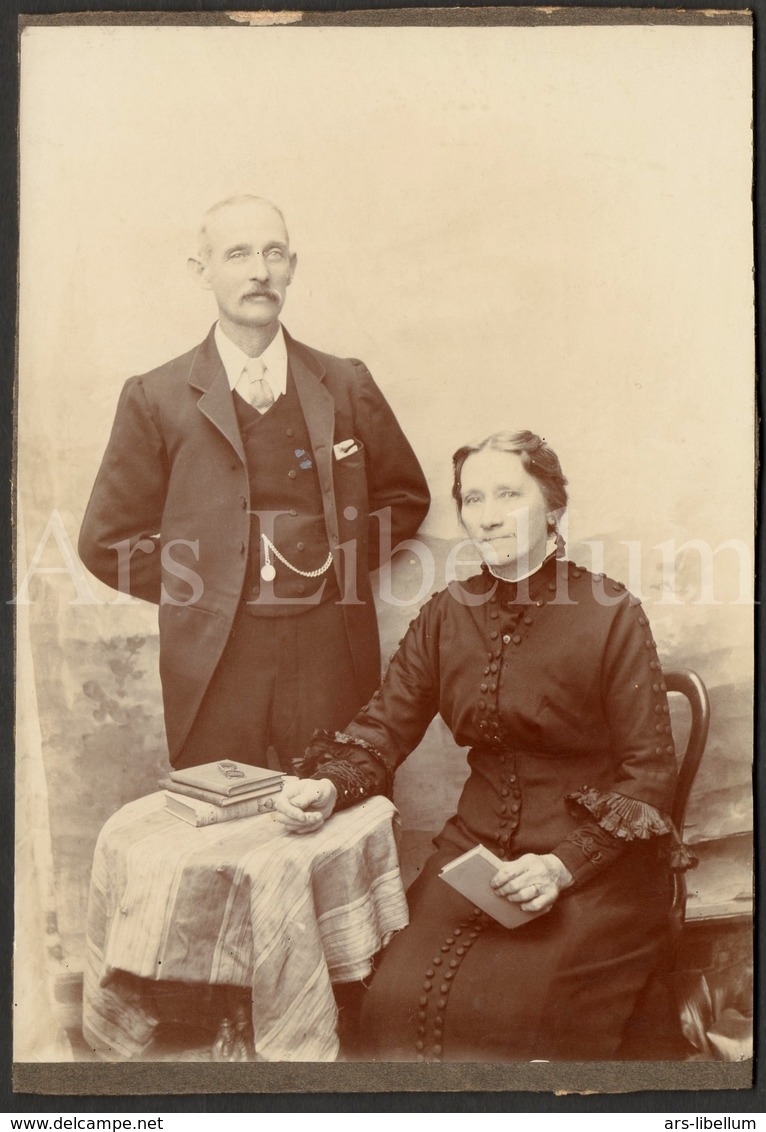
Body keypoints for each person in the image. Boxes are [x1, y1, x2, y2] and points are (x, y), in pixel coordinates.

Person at [274, 429, 690, 1061]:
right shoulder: (449, 613)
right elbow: (384, 725)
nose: (488, 515)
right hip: (475, 853)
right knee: (389, 1003)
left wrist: (561, 866)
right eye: (473, 499)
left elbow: (649, 774)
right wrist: (327, 785)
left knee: (519, 1013)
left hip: (593, 866)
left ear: (553, 506)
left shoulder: (611, 612)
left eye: (508, 494)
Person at [78, 194, 430, 771]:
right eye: (238, 254)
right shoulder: (154, 396)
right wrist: (205, 589)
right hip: (216, 659)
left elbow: (406, 497)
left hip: (331, 652)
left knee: (336, 811)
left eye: (273, 254)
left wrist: (332, 561)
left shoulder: (345, 381)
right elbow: (105, 539)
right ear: (203, 271)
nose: (259, 271)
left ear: (292, 266)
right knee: (220, 830)